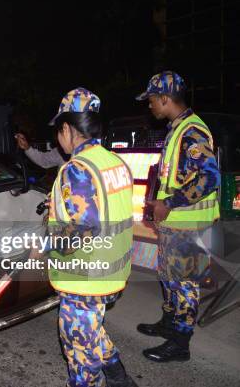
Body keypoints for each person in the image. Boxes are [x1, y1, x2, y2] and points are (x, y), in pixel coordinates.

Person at [46, 88, 137, 387]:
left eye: (59, 132)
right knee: (91, 329)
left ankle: (106, 377)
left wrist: (46, 245)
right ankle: (118, 376)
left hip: (85, 277)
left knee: (79, 352)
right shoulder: (115, 162)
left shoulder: (77, 168)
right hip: (112, 270)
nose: (58, 141)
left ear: (68, 129)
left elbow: (84, 228)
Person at [135, 71, 220, 362]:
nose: (149, 105)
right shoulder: (177, 127)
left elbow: (210, 178)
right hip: (174, 222)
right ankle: (169, 324)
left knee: (185, 283)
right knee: (169, 277)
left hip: (189, 223)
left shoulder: (193, 131)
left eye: (151, 100)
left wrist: (170, 202)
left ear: (165, 99)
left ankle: (180, 343)